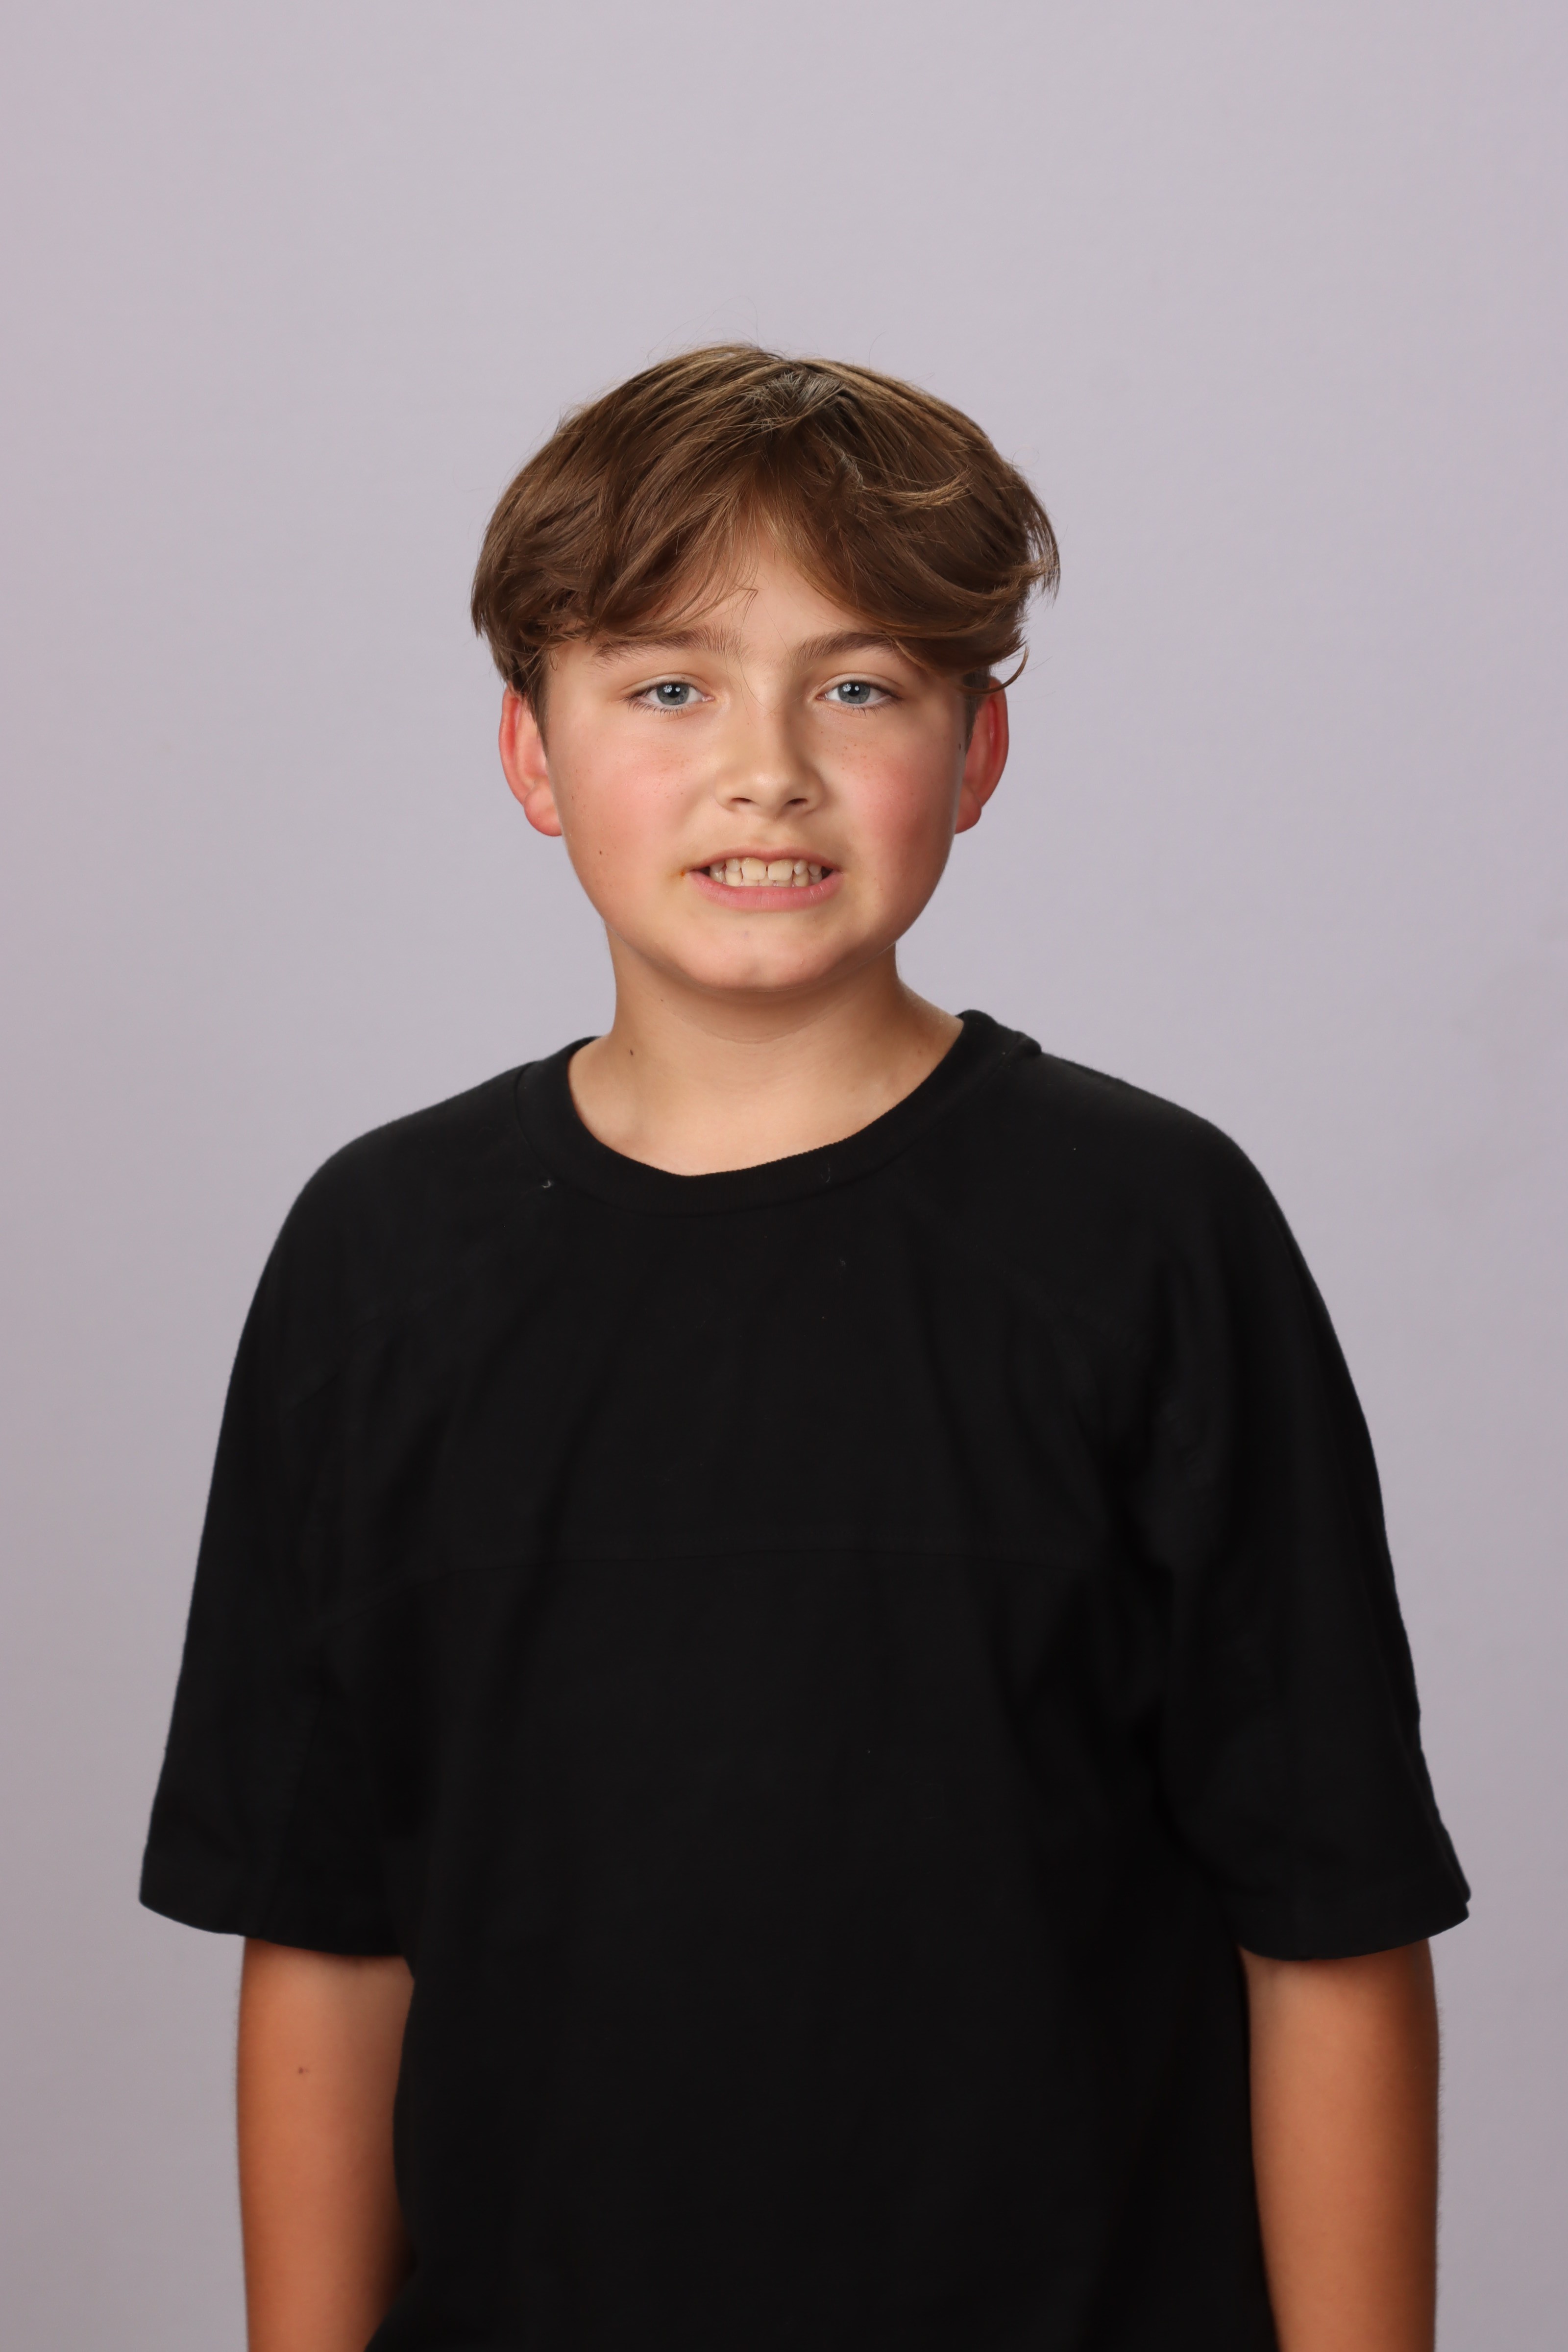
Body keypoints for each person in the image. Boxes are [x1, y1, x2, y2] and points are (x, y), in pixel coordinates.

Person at [140, 346, 1469, 2352]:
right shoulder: (377, 1262)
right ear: (531, 754)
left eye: (857, 689)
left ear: (975, 754)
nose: (764, 767)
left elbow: (1329, 1920)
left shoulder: (1150, 1237)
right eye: (666, 688)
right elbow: (328, 1932)